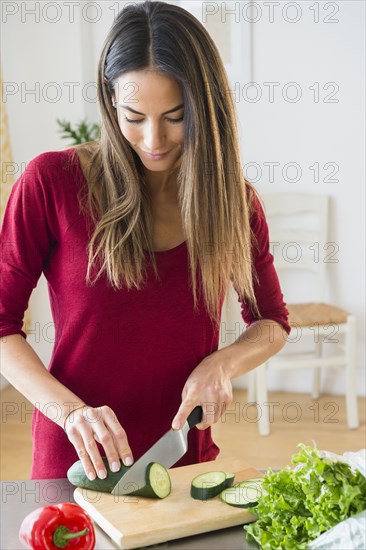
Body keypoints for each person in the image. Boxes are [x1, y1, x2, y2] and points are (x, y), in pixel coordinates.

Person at [0, 0, 290, 481]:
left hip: (183, 463)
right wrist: (71, 413)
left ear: (205, 108)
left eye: (175, 116)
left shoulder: (235, 204)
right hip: (75, 459)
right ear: (110, 102)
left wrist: (223, 362)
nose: (153, 139)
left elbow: (271, 322)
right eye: (133, 116)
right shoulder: (50, 181)